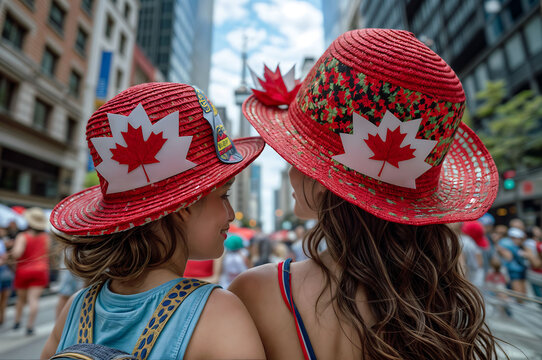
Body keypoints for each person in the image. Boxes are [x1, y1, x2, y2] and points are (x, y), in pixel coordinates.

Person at [232, 28, 503, 359]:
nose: (290, 170)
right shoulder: (439, 295)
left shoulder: (258, 291)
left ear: (324, 180)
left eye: (295, 156)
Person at [41, 83, 265, 359]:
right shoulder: (218, 313)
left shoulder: (74, 308)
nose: (231, 213)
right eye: (224, 195)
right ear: (185, 204)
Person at [10, 207, 51, 335]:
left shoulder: (23, 236)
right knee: (34, 299)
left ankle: (17, 322)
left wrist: (10, 253)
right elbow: (47, 253)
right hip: (41, 270)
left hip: (23, 271)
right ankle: (30, 326)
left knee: (21, 299)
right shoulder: (46, 237)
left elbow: (17, 253)